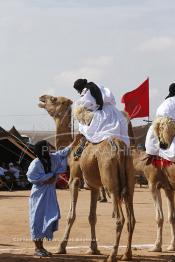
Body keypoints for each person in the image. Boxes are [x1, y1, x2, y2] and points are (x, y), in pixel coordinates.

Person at [27, 140, 73, 257]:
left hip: (50, 194)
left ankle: (42, 247)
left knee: (47, 217)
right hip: (39, 195)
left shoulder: (52, 158)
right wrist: (50, 177)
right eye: (46, 147)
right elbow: (32, 177)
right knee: (37, 219)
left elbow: (63, 153)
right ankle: (38, 248)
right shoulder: (35, 164)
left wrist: (76, 142)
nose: (49, 148)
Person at [73, 79, 130, 146]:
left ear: (80, 88)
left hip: (102, 113)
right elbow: (111, 99)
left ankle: (82, 146)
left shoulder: (85, 91)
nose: (78, 92)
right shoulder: (98, 85)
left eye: (77, 91)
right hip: (114, 111)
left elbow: (86, 104)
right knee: (121, 132)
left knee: (82, 126)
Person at [145, 83, 175, 162]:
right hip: (169, 123)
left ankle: (150, 153)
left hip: (158, 122)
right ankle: (165, 154)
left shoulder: (166, 101)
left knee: (151, 138)